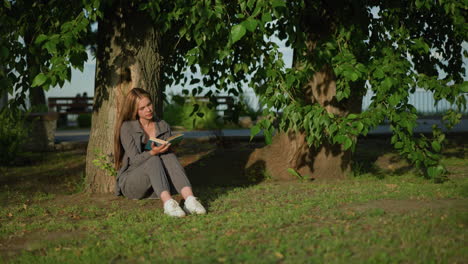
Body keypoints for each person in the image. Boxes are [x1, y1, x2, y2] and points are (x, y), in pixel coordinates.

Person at [114, 88, 206, 217]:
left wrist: (171, 147)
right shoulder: (127, 127)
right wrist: (152, 152)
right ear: (134, 110)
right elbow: (134, 161)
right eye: (142, 108)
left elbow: (167, 159)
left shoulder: (162, 125)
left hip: (158, 182)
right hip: (133, 182)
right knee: (152, 158)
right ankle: (168, 204)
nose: (148, 110)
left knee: (168, 154)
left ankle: (190, 200)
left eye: (149, 104)